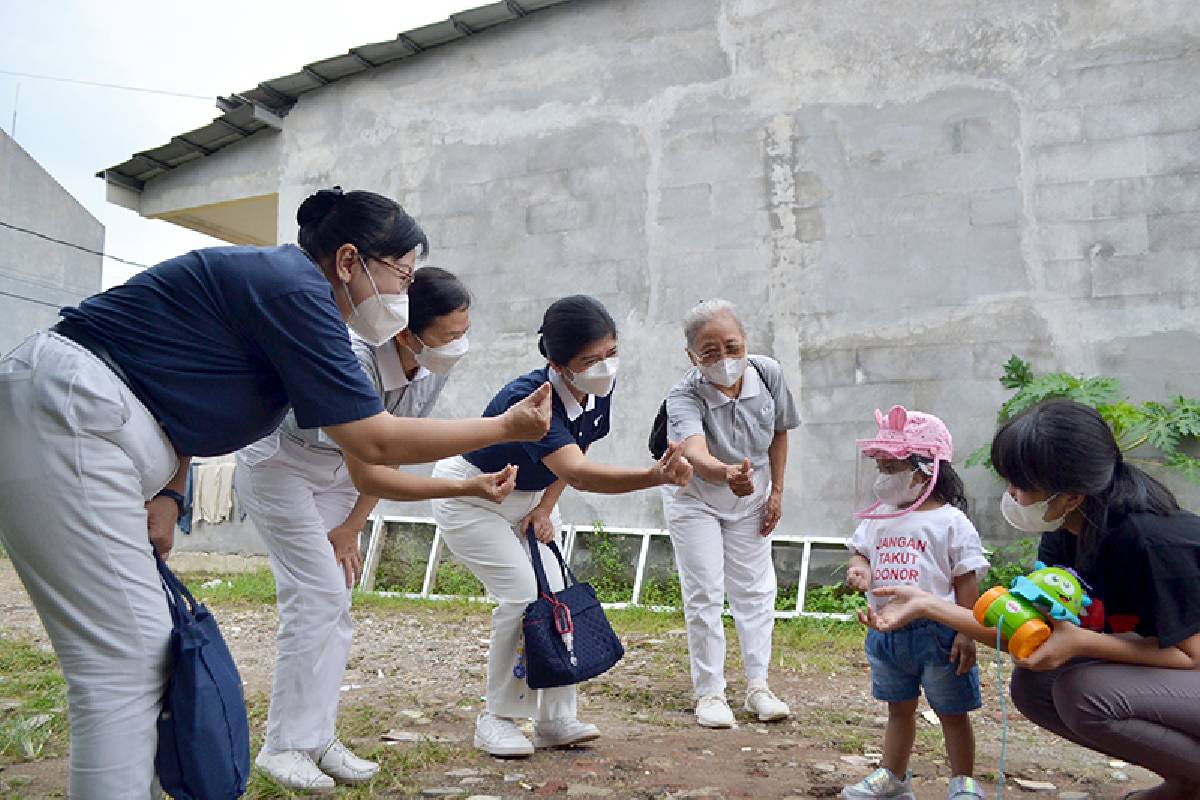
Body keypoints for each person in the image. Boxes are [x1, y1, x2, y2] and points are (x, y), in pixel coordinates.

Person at [0, 188, 552, 800]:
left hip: (105, 425)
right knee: (126, 660)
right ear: (349, 261)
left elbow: (181, 383)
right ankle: (284, 744)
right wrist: (505, 428)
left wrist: (170, 491)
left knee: (151, 650)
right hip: (78, 416)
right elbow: (373, 440)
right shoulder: (295, 290)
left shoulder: (300, 299)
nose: (405, 290)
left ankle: (298, 740)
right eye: (403, 274)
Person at [235, 266, 519, 790]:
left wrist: (352, 524)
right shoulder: (356, 358)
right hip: (282, 464)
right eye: (451, 335)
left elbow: (388, 456)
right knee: (314, 594)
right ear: (408, 331)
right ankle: (282, 745)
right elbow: (377, 454)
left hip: (343, 472)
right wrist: (467, 486)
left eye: (464, 332)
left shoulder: (432, 368)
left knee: (336, 601)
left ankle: (316, 737)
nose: (460, 345)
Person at [866, 400, 1200, 800]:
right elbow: (1031, 630)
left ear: (1072, 494)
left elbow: (1192, 656)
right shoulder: (1068, 530)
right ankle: (1185, 781)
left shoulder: (1150, 541)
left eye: (1022, 484)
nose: (1011, 493)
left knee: (1085, 692)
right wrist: (926, 604)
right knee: (1034, 686)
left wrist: (1081, 643)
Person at [430, 295, 694, 757]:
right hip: (472, 494)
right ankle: (497, 718)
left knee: (557, 598)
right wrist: (653, 477)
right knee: (519, 594)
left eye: (611, 353)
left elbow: (578, 449)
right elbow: (577, 471)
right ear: (557, 363)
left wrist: (545, 507)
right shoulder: (533, 401)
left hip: (528, 495)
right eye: (590, 360)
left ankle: (554, 719)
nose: (605, 367)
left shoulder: (599, 389)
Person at [661, 298, 800, 728]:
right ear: (691, 357)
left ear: (745, 341)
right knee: (704, 591)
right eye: (710, 352)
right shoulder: (683, 396)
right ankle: (710, 693)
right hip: (695, 498)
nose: (724, 359)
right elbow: (695, 453)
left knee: (756, 591)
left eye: (731, 346)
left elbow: (779, 432)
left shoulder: (768, 373)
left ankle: (758, 686)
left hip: (751, 496)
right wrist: (726, 474)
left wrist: (776, 491)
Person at [839, 405, 989, 800]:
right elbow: (862, 553)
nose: (883, 478)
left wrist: (966, 631)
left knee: (952, 714)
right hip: (886, 632)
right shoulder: (877, 518)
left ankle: (963, 782)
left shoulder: (951, 522)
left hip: (939, 636)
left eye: (892, 468)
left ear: (925, 469)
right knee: (898, 709)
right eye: (881, 468)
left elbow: (965, 579)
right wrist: (860, 570)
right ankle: (894, 777)